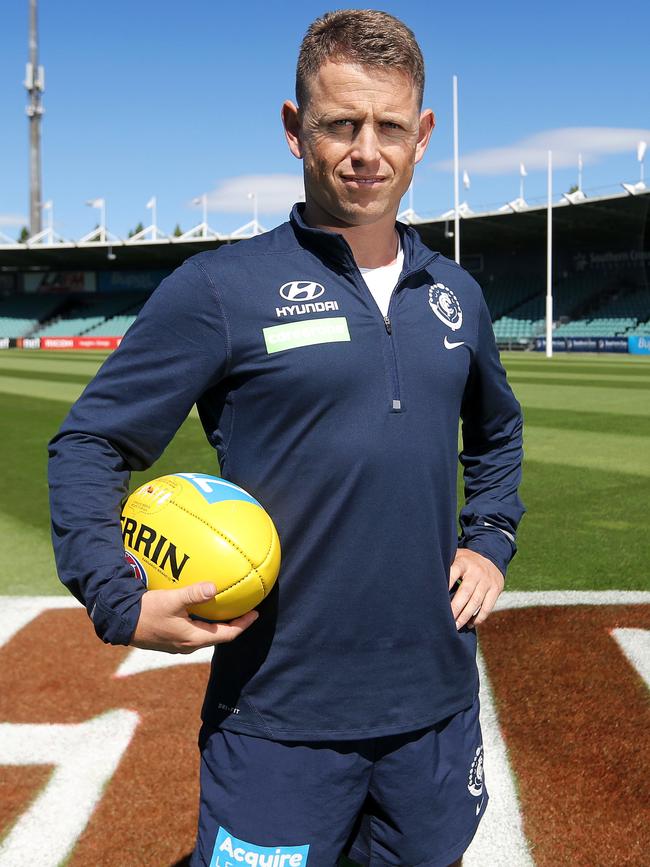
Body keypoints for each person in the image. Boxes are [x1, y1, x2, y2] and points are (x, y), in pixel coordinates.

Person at [48, 9, 524, 867]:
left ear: (423, 135)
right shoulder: (219, 289)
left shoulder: (457, 294)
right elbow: (89, 443)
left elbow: (497, 430)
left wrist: (490, 536)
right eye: (340, 123)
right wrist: (115, 599)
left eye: (388, 126)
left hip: (436, 704)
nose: (365, 152)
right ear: (294, 128)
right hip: (278, 716)